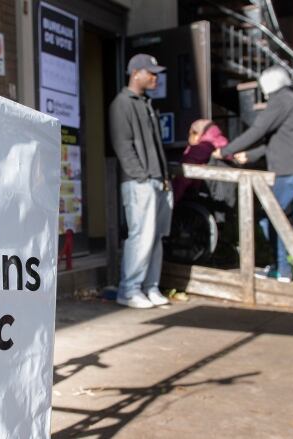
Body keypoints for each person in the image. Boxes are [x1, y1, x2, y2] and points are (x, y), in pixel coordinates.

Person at [212, 65, 293, 285]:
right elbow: (278, 141)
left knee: (271, 219)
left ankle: (282, 270)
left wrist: (226, 150)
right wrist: (250, 154)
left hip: (289, 170)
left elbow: (258, 130)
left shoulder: (280, 102)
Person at [109, 54, 173, 309]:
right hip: (140, 182)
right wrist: (141, 177)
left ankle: (150, 287)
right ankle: (129, 289)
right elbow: (123, 145)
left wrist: (164, 177)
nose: (155, 77)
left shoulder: (146, 103)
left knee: (155, 237)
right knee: (141, 236)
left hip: (157, 181)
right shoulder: (122, 103)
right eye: (151, 72)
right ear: (136, 73)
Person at [172, 119, 228, 204]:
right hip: (225, 194)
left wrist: (173, 198)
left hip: (211, 196)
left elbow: (184, 175)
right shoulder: (222, 144)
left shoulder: (200, 148)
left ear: (196, 134)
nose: (189, 138)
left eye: (190, 134)